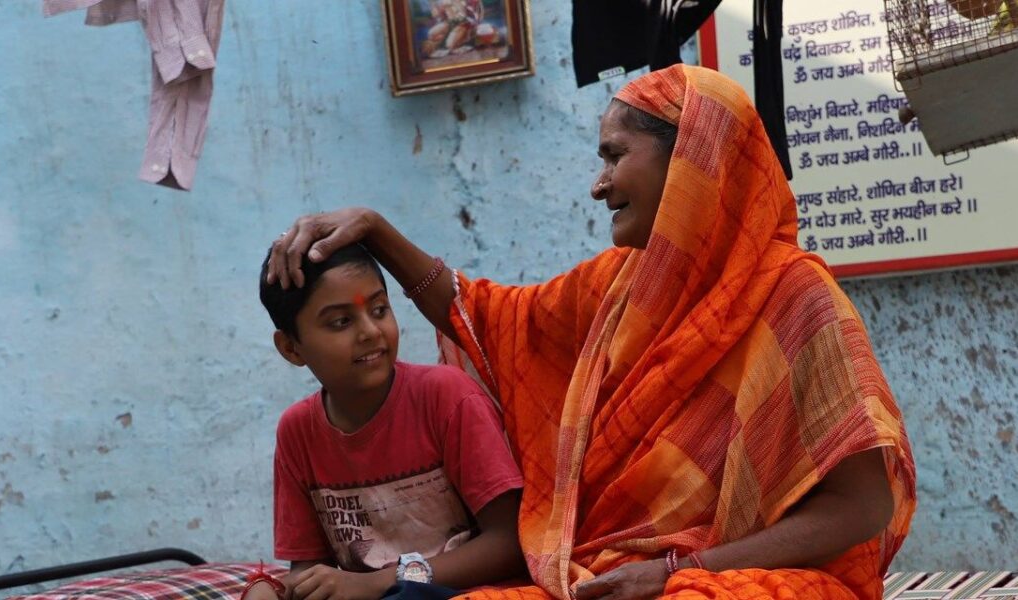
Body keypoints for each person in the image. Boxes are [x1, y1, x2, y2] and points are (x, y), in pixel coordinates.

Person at [265, 65, 916, 600]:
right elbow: (486, 318)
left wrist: (676, 572)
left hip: (741, 581)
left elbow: (861, 509)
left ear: (691, 157)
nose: (599, 185)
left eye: (614, 156)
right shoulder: (615, 288)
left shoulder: (798, 297)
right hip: (603, 578)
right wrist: (376, 229)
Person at [245, 243, 528, 600]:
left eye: (379, 310)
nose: (370, 332)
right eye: (341, 322)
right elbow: (310, 571)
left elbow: (511, 543)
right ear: (291, 348)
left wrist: (381, 582)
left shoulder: (445, 397)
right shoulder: (298, 431)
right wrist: (268, 589)